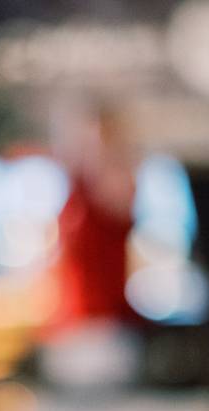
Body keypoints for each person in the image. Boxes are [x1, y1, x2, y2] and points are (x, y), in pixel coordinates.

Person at [52, 99, 138, 327]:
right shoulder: (74, 188)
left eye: (93, 142)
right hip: (72, 322)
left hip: (105, 323)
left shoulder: (117, 188)